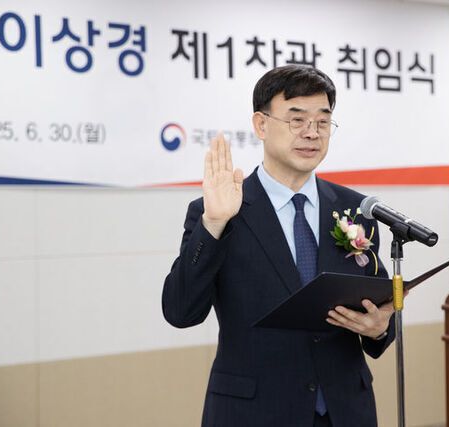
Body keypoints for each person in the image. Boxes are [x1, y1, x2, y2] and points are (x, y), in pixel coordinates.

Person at [162, 65, 395, 427]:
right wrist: (214, 224)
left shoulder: (356, 210)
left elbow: (378, 312)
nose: (312, 133)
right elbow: (181, 312)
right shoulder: (221, 209)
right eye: (297, 120)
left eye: (322, 121)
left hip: (345, 411)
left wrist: (379, 328)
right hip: (254, 413)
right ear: (261, 125)